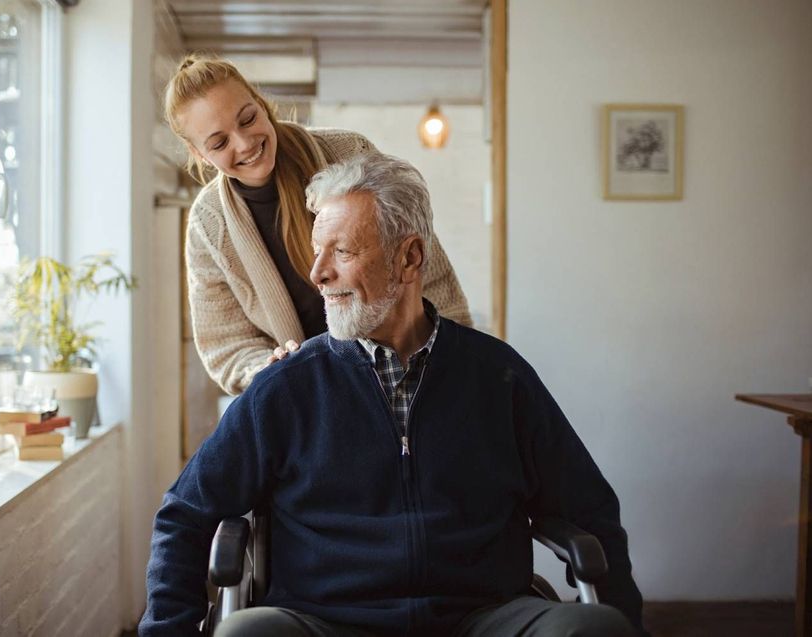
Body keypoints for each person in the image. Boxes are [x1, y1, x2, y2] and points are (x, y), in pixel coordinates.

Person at [140, 153, 647, 637]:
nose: (317, 273)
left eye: (341, 251)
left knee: (594, 629)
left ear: (409, 257)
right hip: (325, 621)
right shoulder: (289, 387)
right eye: (317, 252)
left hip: (482, 617)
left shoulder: (498, 377)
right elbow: (185, 514)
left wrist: (624, 616)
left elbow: (590, 509)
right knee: (250, 633)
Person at [164, 55, 471, 395]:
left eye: (248, 119)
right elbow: (226, 344)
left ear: (262, 103)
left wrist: (455, 359)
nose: (244, 143)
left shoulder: (350, 152)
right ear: (199, 153)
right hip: (309, 396)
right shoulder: (207, 225)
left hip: (405, 373)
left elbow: (425, 267)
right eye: (219, 143)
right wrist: (266, 367)